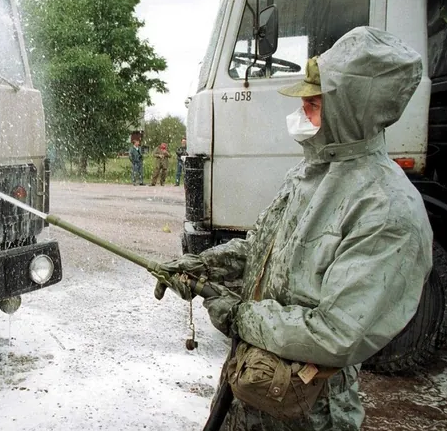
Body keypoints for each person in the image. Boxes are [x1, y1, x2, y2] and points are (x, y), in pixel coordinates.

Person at [155, 27, 432, 430]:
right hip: (252, 390)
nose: (302, 115)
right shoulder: (309, 173)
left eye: (315, 104)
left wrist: (240, 317)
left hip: (308, 412)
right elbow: (261, 250)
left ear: (354, 110)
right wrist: (201, 267)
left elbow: (336, 333)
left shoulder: (387, 210)